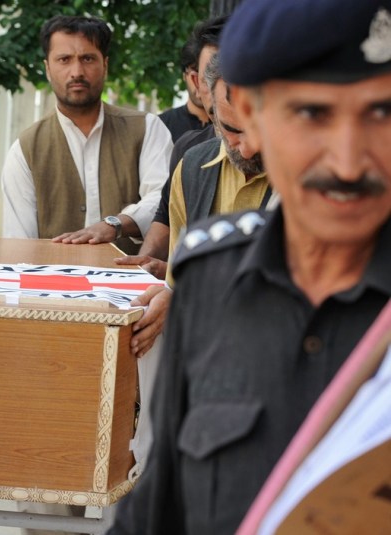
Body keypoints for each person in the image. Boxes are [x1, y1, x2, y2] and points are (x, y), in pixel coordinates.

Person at [108, 0, 391, 533]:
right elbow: (157, 509)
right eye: (313, 113)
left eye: (383, 113)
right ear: (252, 122)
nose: (350, 161)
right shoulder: (210, 282)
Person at [1, 15, 173, 255]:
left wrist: (115, 225)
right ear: (48, 69)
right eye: (64, 59)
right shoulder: (26, 149)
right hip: (52, 287)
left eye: (87, 58)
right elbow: (19, 244)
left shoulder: (147, 128)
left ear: (105, 65)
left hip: (132, 286)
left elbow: (163, 200)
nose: (77, 71)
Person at [118, 15, 227, 277]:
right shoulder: (188, 152)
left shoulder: (281, 156)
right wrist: (143, 269)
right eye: (208, 76)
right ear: (195, 81)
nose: (218, 87)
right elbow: (165, 221)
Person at [166, 52, 271, 264]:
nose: (248, 150)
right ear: (212, 112)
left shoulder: (308, 175)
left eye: (260, 132)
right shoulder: (191, 169)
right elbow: (180, 279)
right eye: (231, 129)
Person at [158, 35, 210, 143]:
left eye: (207, 73)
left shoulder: (235, 124)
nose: (199, 81)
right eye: (194, 72)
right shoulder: (161, 125)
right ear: (185, 76)